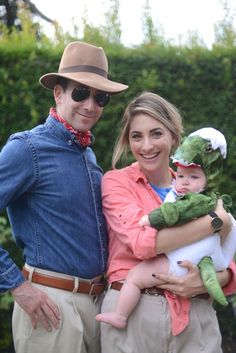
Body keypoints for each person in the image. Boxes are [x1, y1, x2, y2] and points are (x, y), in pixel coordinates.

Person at [0, 41, 128, 353]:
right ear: (58, 93)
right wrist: (16, 285)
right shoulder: (27, 149)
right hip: (51, 306)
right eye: (80, 93)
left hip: (96, 306)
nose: (91, 105)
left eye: (101, 97)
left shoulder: (89, 155)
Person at [97, 92, 236, 353]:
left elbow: (226, 261)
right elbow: (142, 244)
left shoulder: (199, 187)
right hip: (135, 314)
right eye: (136, 136)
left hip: (196, 314)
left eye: (156, 133)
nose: (146, 145)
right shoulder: (116, 182)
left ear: (174, 137)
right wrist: (216, 221)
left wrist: (211, 279)